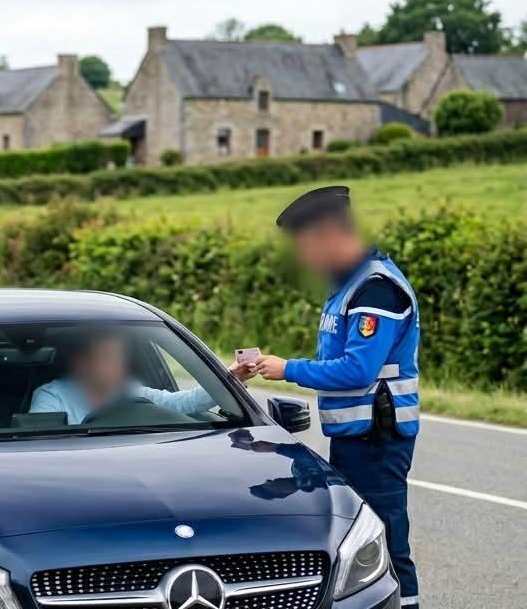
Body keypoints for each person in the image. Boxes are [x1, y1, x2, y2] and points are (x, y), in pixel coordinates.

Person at [251, 186, 420, 609]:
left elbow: (358, 370)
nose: (304, 259)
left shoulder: (377, 290)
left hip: (378, 441)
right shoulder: (347, 286)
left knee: (386, 542)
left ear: (329, 236)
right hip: (356, 436)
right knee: (362, 537)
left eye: (306, 247)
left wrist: (287, 368)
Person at [30, 330, 255, 424]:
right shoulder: (52, 396)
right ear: (82, 362)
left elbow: (185, 403)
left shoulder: (129, 390)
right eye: (106, 358)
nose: (117, 365)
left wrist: (231, 377)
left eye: (119, 358)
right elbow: (40, 447)